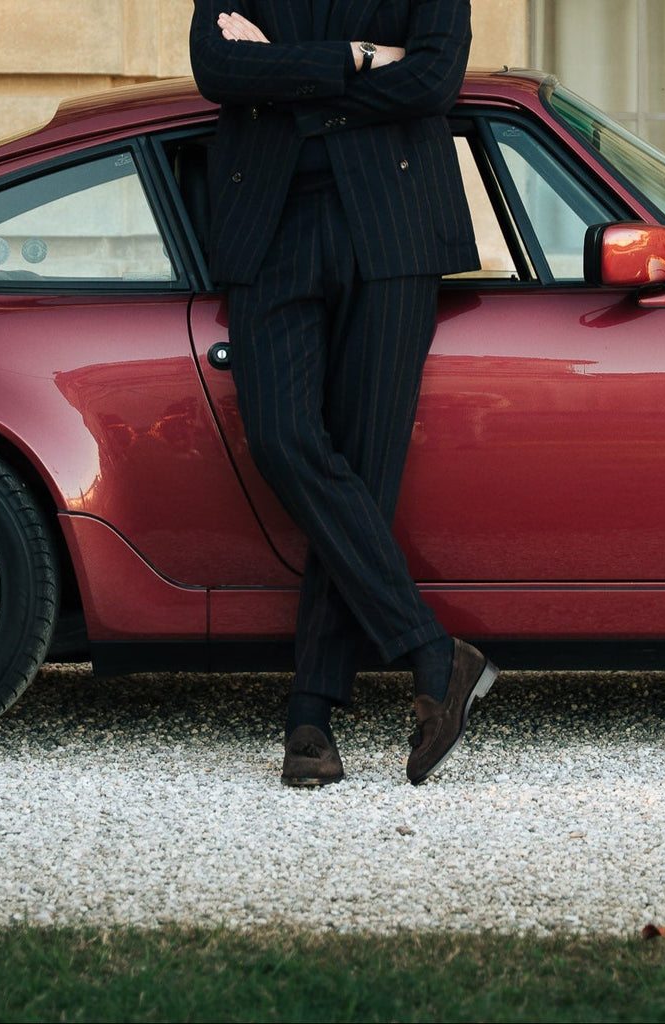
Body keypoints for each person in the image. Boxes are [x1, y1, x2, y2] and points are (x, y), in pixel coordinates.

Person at [189, 0, 496, 786]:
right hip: (269, 226)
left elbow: (433, 80)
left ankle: (311, 714)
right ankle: (430, 649)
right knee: (282, 439)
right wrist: (360, 56)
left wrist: (286, 78)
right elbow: (219, 69)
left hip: (393, 231)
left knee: (363, 468)